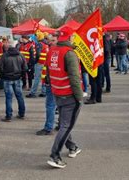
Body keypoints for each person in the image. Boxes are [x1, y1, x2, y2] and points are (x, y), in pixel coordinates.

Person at [46, 26, 83, 169]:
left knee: (64, 123)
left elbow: (49, 72)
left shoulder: (52, 51)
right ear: (70, 37)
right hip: (69, 95)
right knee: (67, 125)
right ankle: (54, 156)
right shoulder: (69, 53)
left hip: (58, 92)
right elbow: (74, 77)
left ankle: (72, 147)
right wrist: (79, 97)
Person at [0, 39, 27, 122]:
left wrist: (2, 76)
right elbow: (25, 68)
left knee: (9, 98)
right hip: (17, 78)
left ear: (8, 45)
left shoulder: (4, 56)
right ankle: (21, 114)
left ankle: (8, 116)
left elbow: (0, 68)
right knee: (19, 96)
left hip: (7, 79)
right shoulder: (20, 55)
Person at [37, 33, 58, 136]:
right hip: (51, 82)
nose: (50, 42)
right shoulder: (51, 51)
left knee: (51, 106)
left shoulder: (56, 52)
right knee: (55, 106)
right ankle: (58, 125)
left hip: (55, 83)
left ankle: (49, 128)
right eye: (50, 40)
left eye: (53, 40)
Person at [27, 32, 48, 98]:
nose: (35, 37)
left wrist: (35, 61)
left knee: (36, 78)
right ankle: (44, 92)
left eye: (36, 36)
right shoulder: (46, 44)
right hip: (45, 63)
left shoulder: (39, 44)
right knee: (44, 78)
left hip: (39, 63)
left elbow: (38, 54)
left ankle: (33, 93)